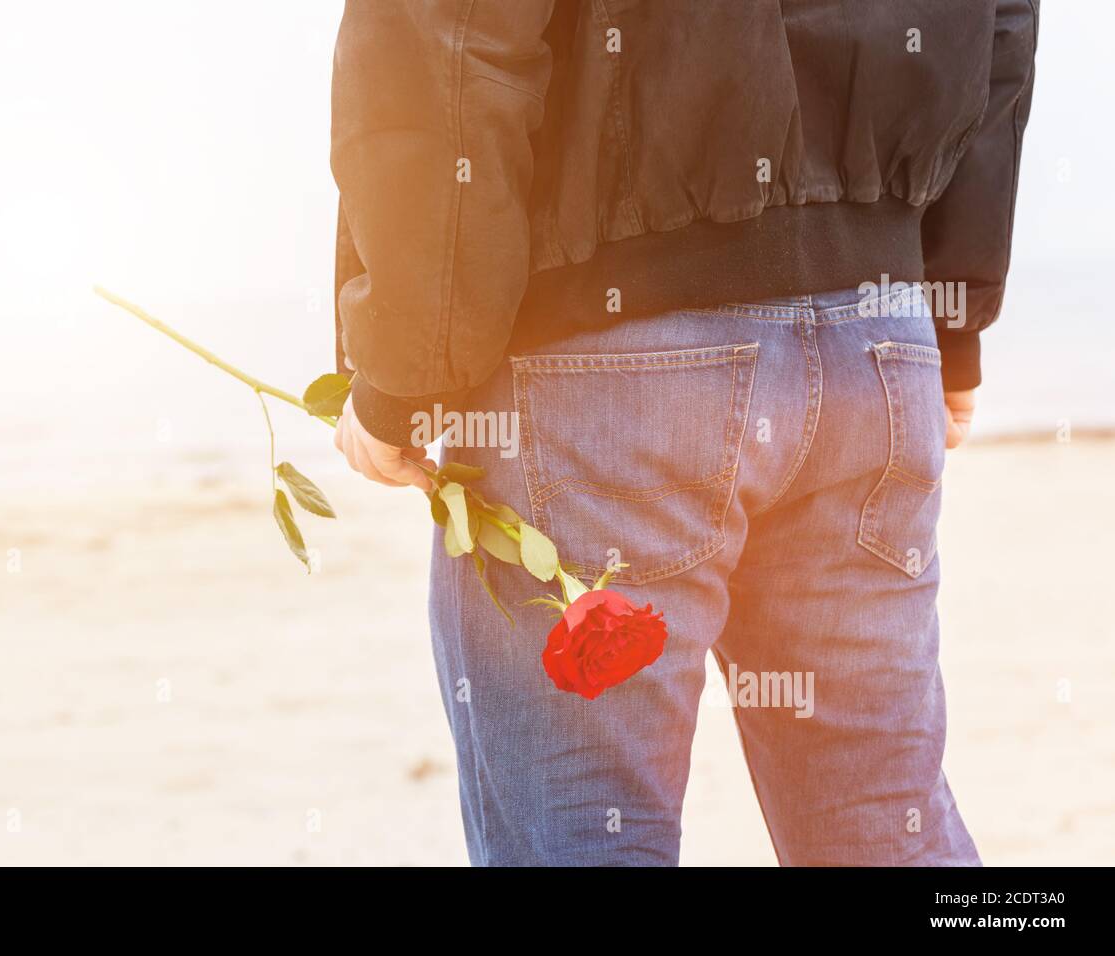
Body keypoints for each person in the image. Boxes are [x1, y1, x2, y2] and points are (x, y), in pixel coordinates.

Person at [329, 1, 1038, 865]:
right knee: (884, 819)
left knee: (585, 830)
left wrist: (410, 367)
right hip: (877, 339)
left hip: (607, 358)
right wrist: (951, 305)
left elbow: (452, 31)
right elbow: (1001, 19)